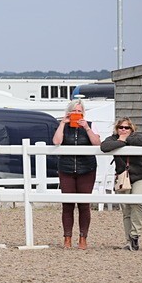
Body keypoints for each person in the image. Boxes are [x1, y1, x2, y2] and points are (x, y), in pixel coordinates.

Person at [52, 99, 100, 249]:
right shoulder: (63, 126)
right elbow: (56, 141)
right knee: (67, 204)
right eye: (74, 111)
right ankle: (67, 237)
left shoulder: (90, 125)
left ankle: (83, 237)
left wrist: (86, 128)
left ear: (83, 113)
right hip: (66, 169)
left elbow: (97, 143)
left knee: (84, 205)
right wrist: (62, 123)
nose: (76, 113)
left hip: (87, 169)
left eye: (79, 111)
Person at [101, 117, 142, 250]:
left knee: (136, 201)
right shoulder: (112, 139)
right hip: (123, 178)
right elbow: (104, 147)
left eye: (126, 127)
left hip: (140, 176)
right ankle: (129, 241)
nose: (123, 130)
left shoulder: (136, 137)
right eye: (121, 127)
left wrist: (124, 140)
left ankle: (135, 235)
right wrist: (120, 141)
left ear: (131, 129)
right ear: (116, 129)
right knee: (126, 210)